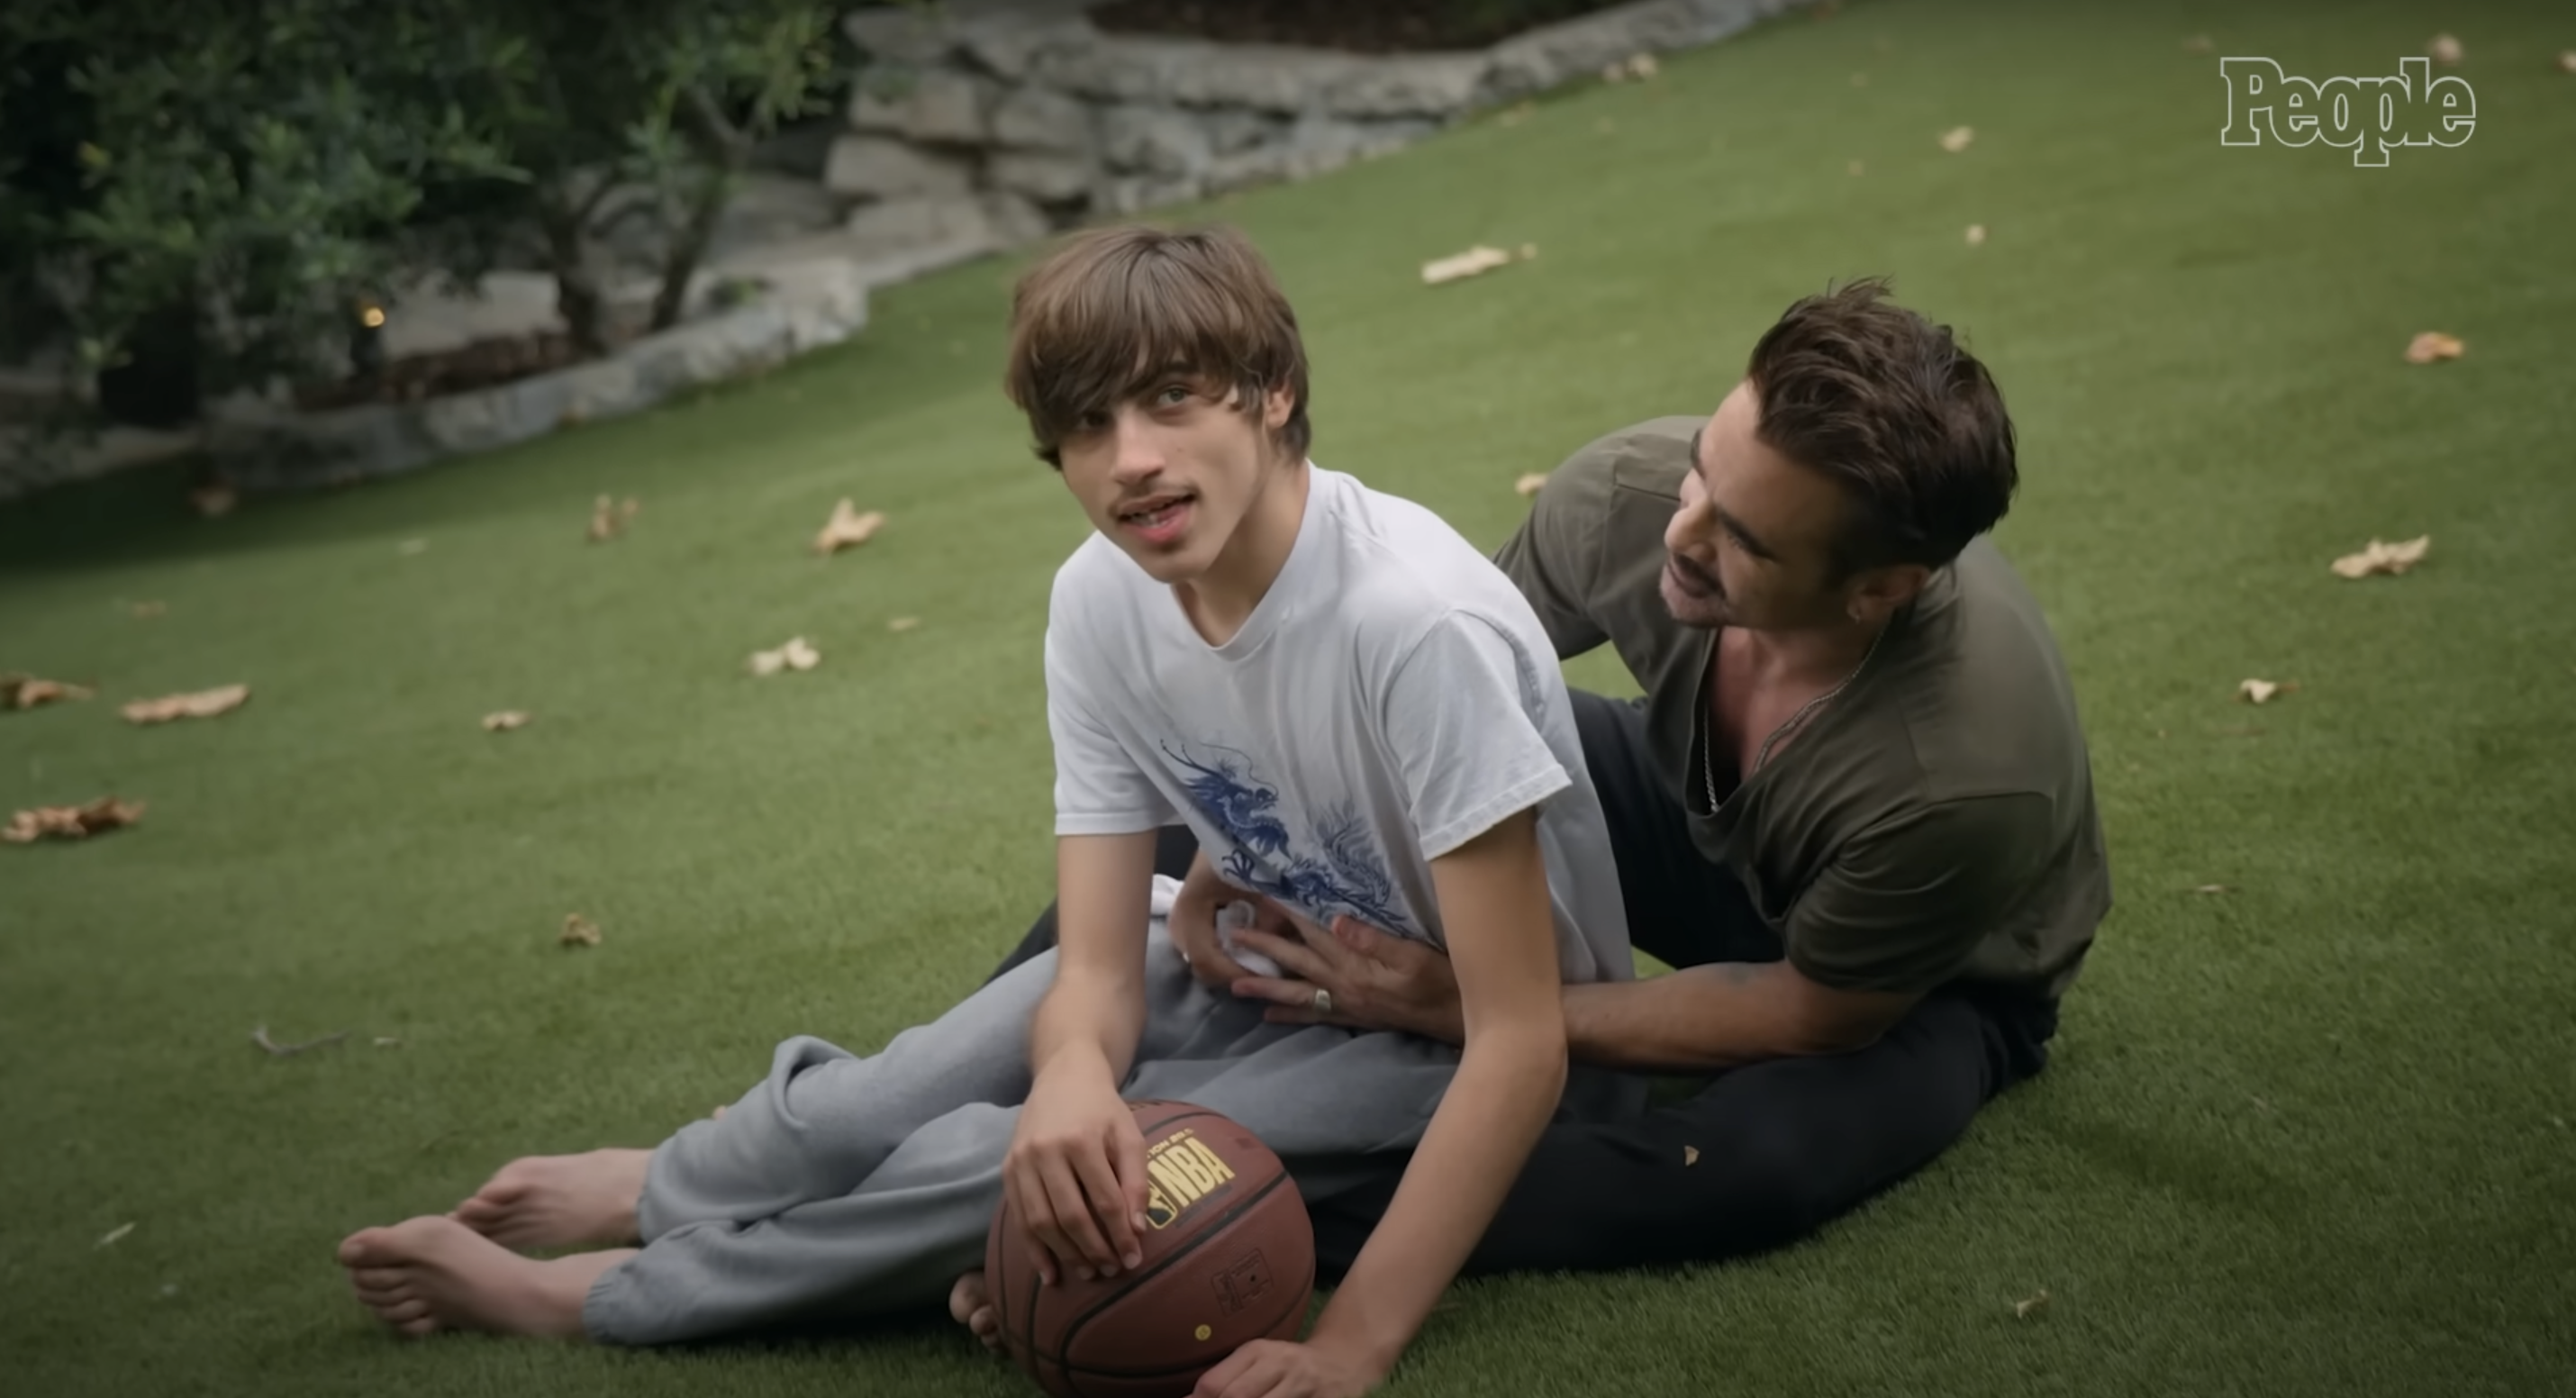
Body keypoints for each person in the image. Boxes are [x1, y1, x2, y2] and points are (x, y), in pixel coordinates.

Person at [335, 223, 1641, 1398]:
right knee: (890, 1099)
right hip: (1247, 957)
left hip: (1434, 1037)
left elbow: (1520, 1040)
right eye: (1085, 428)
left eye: (1173, 399)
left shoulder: (1412, 627)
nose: (1131, 462)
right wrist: (1075, 1065)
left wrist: (1347, 1349)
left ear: (1273, 391)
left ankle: (605, 1298)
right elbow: (1091, 955)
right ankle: (669, 1183)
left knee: (1003, 1165)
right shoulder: (1100, 598)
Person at [986, 276, 2111, 1277]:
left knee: (1739, 1169)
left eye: (1745, 542)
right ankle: (1019, 1080)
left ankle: (1204, 1224)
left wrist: (1466, 1009)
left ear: (1878, 588)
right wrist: (1250, 833)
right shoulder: (1628, 496)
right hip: (1682, 801)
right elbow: (1440, 691)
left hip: (1923, 978)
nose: (1683, 533)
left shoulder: (1960, 781)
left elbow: (1810, 1010)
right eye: (1703, 473)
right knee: (1238, 791)